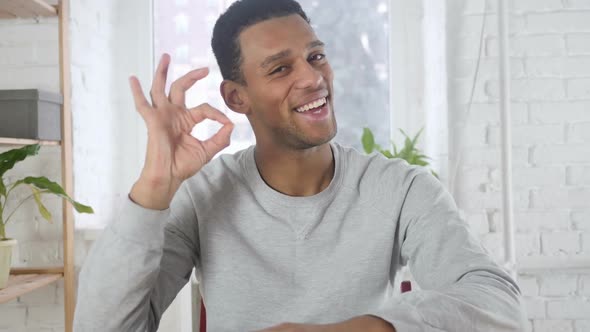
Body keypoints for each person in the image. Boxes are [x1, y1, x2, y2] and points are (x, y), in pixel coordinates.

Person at [73, 0, 526, 331]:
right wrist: (154, 187)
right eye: (279, 69)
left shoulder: (402, 189)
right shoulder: (201, 195)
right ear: (237, 97)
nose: (312, 78)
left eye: (316, 56)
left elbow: (500, 308)